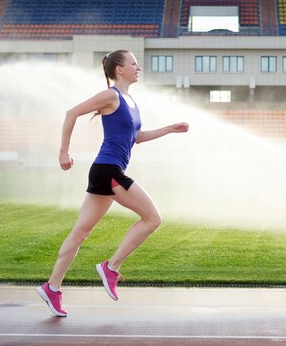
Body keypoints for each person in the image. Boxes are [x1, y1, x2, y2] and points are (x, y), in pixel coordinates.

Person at [37, 50, 189, 317]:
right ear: (119, 69)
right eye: (133, 63)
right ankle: (111, 267)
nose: (138, 67)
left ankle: (52, 287)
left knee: (80, 233)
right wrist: (63, 151)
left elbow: (137, 137)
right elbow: (72, 113)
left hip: (106, 171)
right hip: (108, 169)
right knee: (152, 219)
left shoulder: (131, 101)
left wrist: (168, 129)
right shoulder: (111, 96)